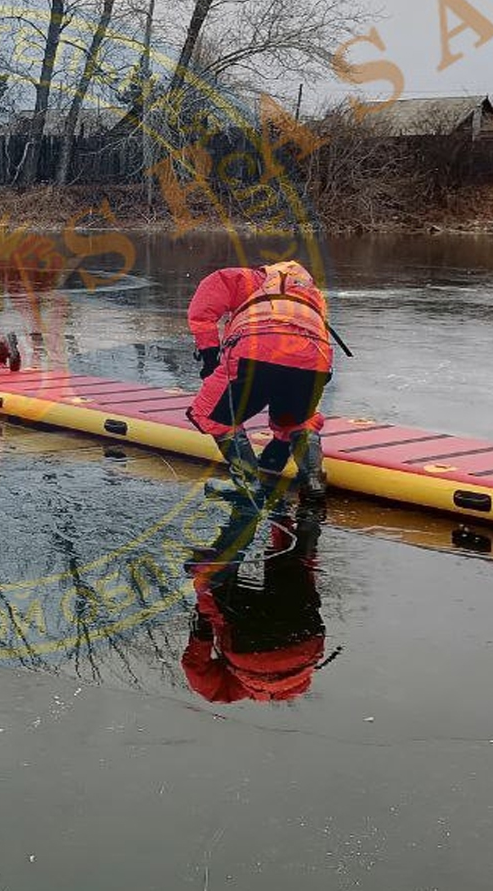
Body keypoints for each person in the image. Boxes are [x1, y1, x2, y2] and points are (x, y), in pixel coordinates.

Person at [186, 258, 334, 509]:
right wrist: (279, 446)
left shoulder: (250, 279)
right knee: (299, 418)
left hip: (255, 350)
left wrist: (210, 357)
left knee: (212, 414)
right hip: (315, 357)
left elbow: (203, 311)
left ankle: (246, 484)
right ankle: (313, 481)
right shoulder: (312, 296)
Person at [181, 501, 331, 704]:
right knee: (216, 593)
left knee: (294, 571)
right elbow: (197, 672)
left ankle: (304, 519)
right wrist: (202, 630)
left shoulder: (296, 684)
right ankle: (212, 561)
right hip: (250, 652)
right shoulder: (230, 690)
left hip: (304, 641)